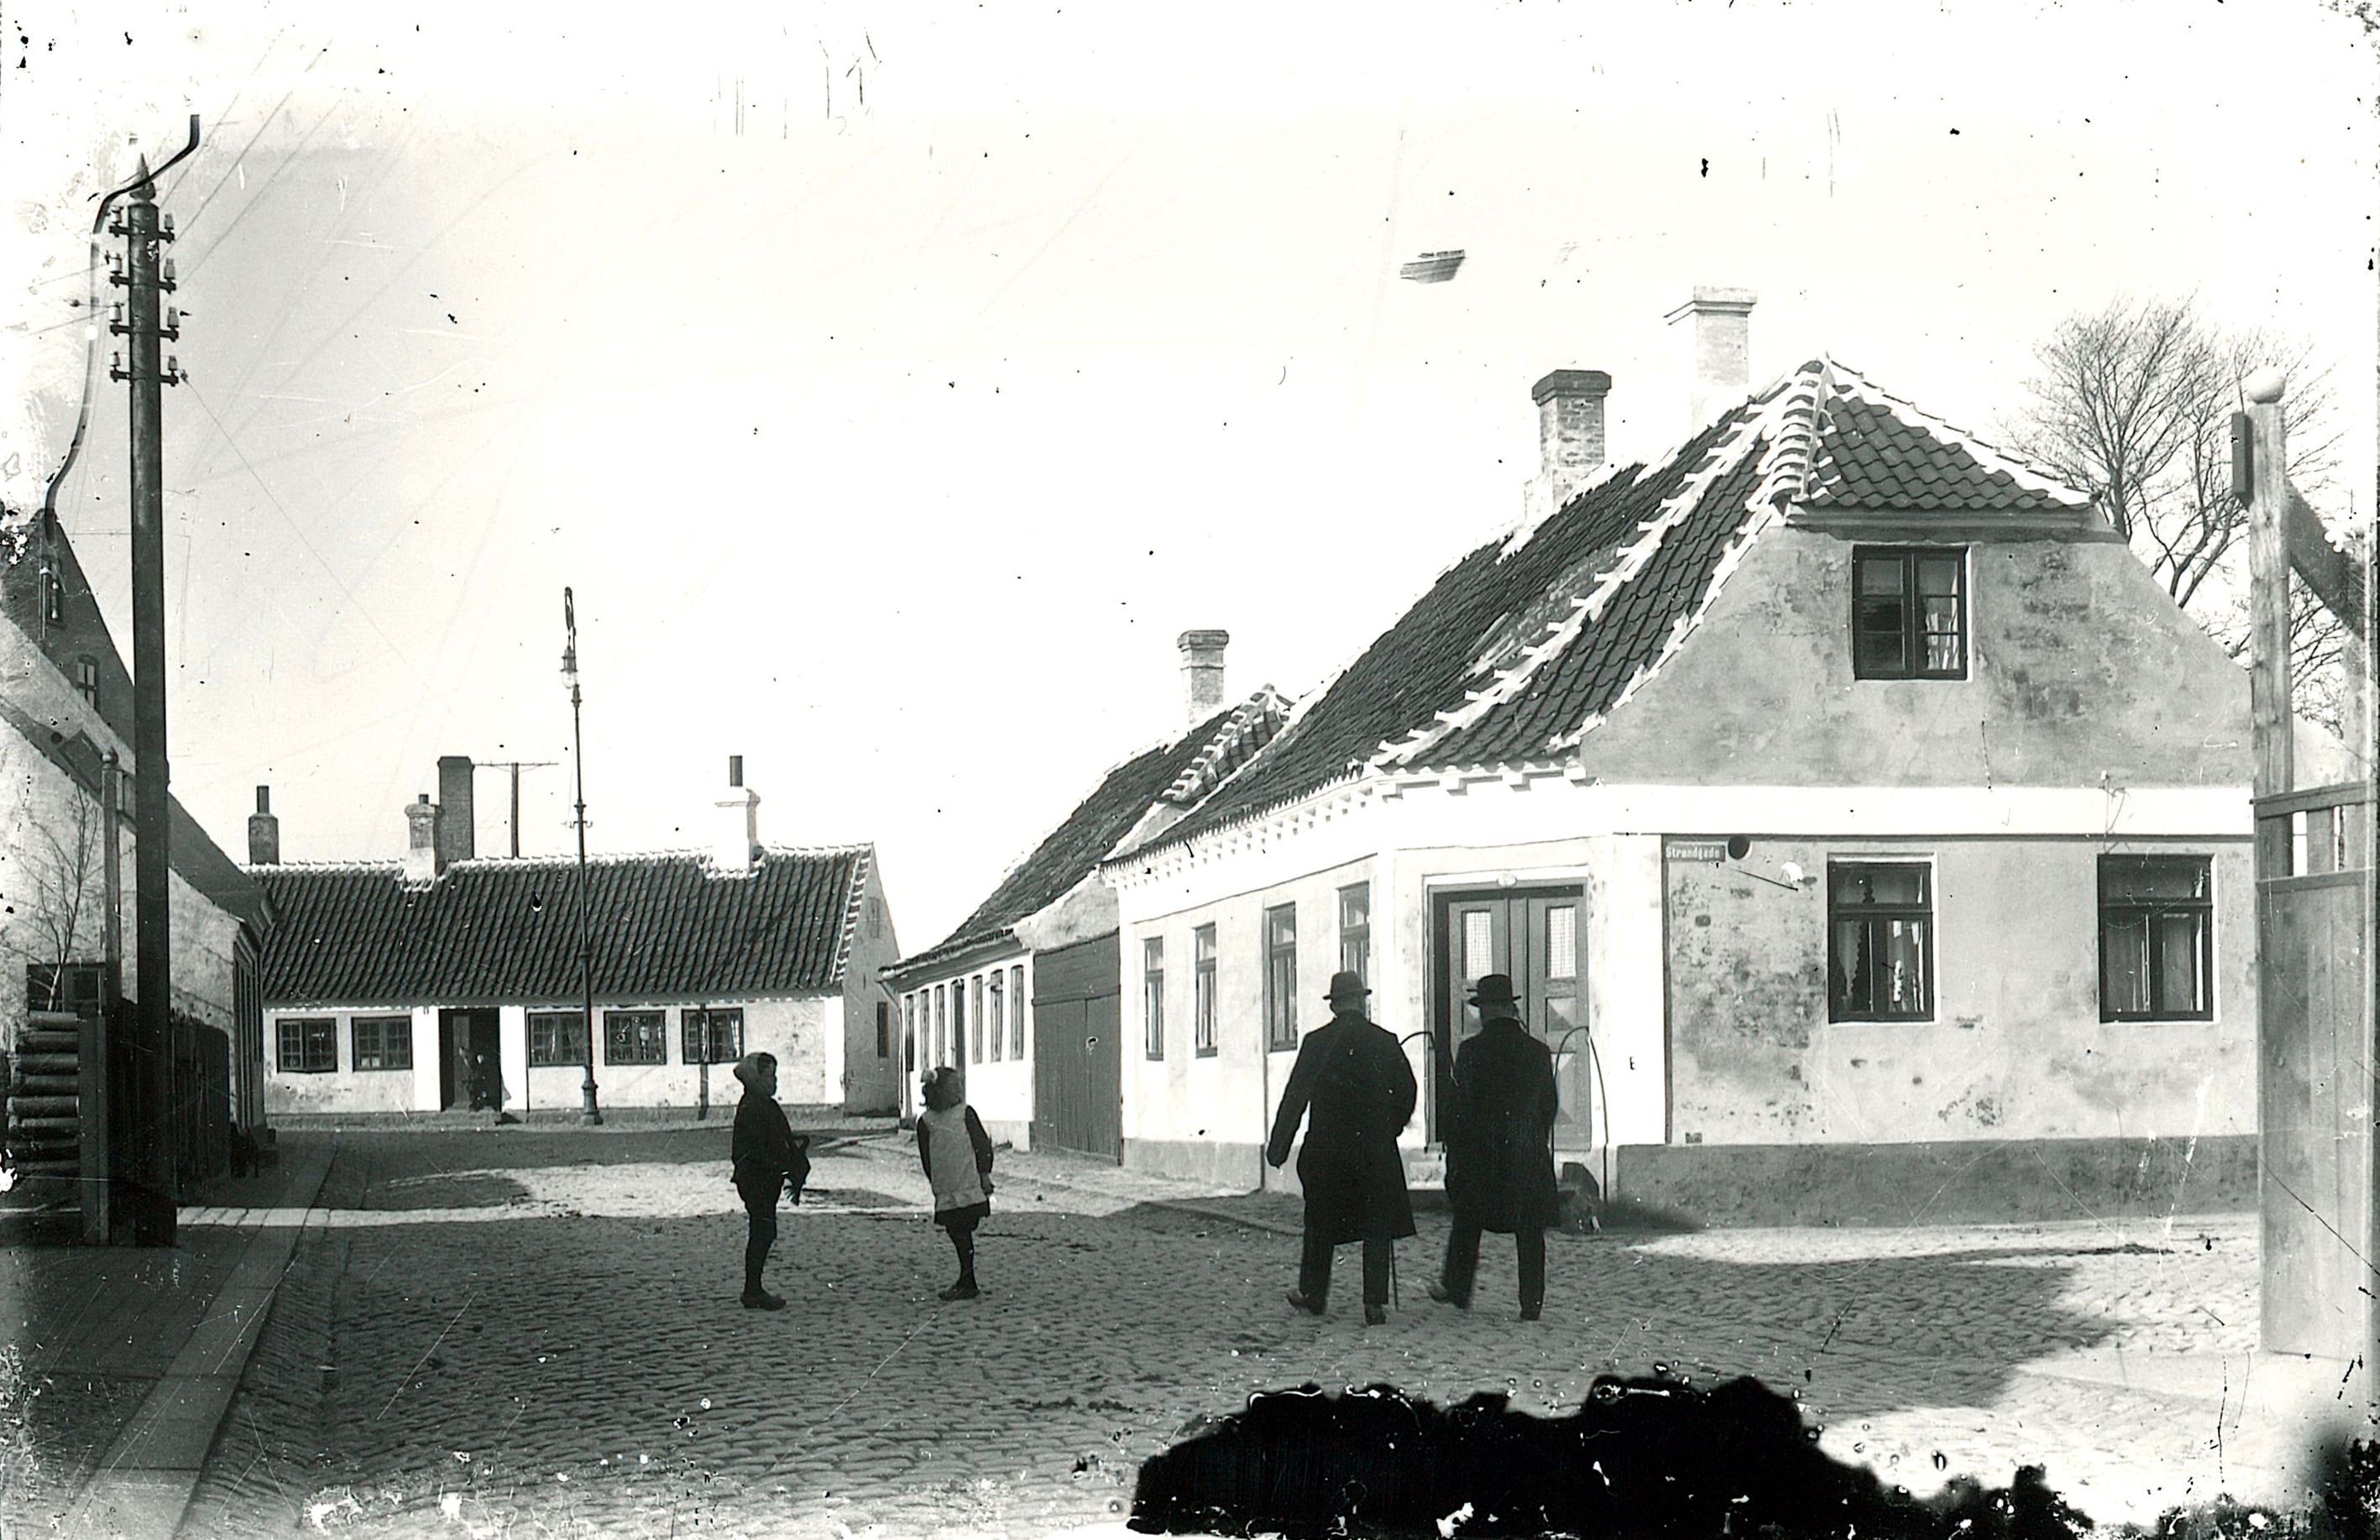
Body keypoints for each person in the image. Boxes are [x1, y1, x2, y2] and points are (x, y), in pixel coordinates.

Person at [1266, 970, 1418, 1326]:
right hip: (1375, 1150)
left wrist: (1279, 1148)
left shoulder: (1317, 1043)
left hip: (1327, 1150)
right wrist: (1391, 1126)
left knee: (1319, 1221)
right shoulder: (1385, 1041)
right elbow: (1407, 1091)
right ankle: (1374, 1304)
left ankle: (1314, 1295)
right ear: (1362, 1002)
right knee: (1376, 1223)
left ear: (1334, 1005)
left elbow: (1295, 1097)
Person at [1428, 974, 1560, 1322]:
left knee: (1468, 1220)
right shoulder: (1538, 1052)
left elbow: (1459, 1109)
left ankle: (1457, 1289)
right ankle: (1531, 1302)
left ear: (1487, 1010)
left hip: (1481, 1153)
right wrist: (1534, 1137)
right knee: (1530, 1229)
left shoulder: (1470, 1051)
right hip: (1526, 1150)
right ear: (1511, 1008)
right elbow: (1549, 1105)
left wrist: (1456, 1151)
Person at [730, 1052, 810, 1310]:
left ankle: (753, 1288)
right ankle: (752, 1290)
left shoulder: (762, 1103)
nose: (774, 1081)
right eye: (770, 1075)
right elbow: (755, 1148)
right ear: (757, 1077)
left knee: (763, 1231)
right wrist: (779, 1164)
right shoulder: (753, 1107)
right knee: (762, 1232)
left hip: (764, 1178)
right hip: (757, 1179)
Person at [917, 1067, 996, 1301]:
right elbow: (926, 1157)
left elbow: (982, 1146)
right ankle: (967, 1279)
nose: (959, 1091)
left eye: (960, 1086)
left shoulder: (965, 1113)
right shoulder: (927, 1121)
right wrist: (936, 1183)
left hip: (968, 1182)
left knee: (962, 1229)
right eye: (953, 1087)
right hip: (947, 1187)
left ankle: (967, 1280)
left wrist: (984, 1174)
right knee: (957, 1230)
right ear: (938, 1091)